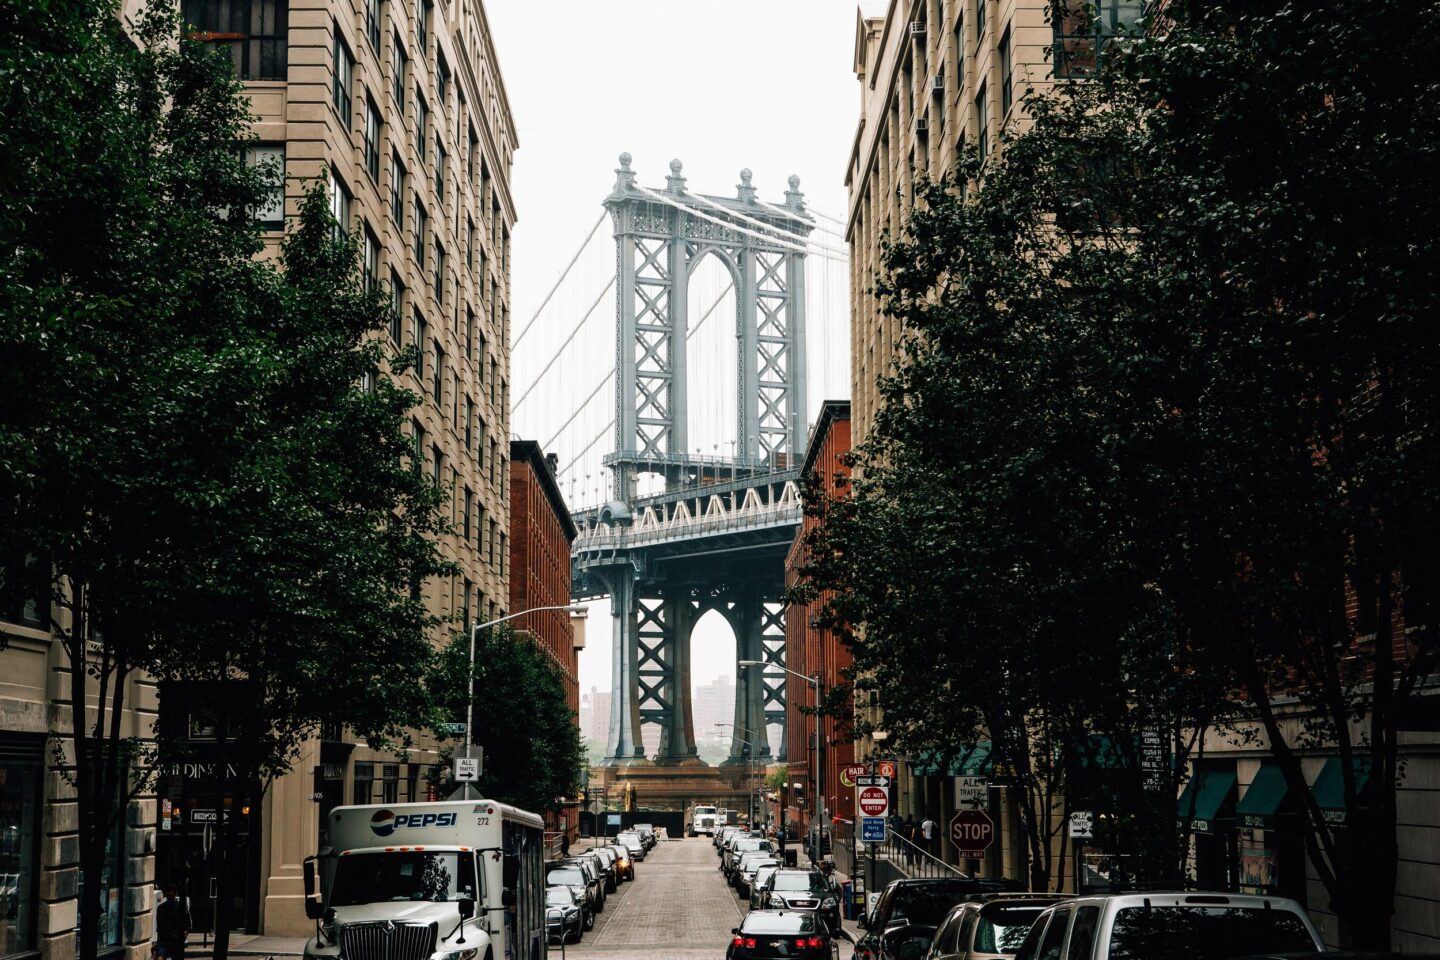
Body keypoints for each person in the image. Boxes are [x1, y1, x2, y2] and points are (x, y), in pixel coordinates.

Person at [155, 885, 191, 960]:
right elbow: (159, 926)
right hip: (164, 940)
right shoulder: (161, 908)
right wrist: (158, 942)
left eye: (171, 895)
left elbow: (188, 925)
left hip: (176, 941)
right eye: (168, 895)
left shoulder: (181, 907)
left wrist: (183, 937)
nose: (169, 897)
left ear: (175, 894)